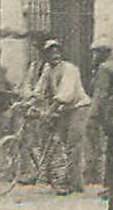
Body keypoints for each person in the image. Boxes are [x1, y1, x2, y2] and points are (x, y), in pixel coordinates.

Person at [33, 39, 92, 194]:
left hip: (79, 108)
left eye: (57, 51)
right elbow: (39, 89)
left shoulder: (70, 69)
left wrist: (50, 110)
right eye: (50, 52)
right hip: (64, 110)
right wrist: (28, 102)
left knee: (73, 145)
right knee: (61, 143)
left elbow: (66, 94)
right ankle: (60, 177)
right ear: (45, 55)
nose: (55, 55)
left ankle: (74, 184)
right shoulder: (47, 69)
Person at [87, 41, 113, 187]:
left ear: (103, 53)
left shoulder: (104, 68)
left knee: (100, 145)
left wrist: (92, 112)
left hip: (107, 111)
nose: (94, 56)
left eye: (96, 52)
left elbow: (100, 93)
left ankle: (102, 178)